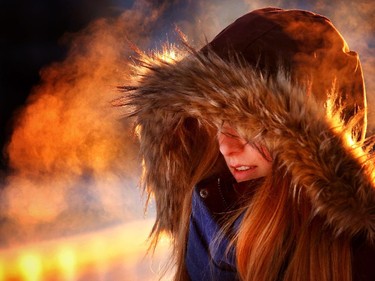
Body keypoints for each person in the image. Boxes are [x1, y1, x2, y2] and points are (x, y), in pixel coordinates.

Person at [119, 7, 375, 281]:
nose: (226, 147)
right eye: (216, 124)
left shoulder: (360, 251)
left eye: (247, 126)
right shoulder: (207, 212)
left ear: (309, 138)